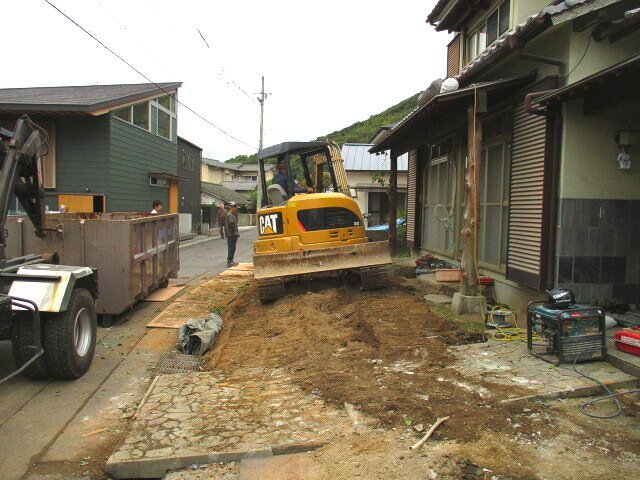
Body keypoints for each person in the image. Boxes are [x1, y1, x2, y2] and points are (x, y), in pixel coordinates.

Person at [225, 202, 240, 267]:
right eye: (235, 208)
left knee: (233, 248)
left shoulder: (231, 214)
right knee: (231, 248)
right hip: (231, 234)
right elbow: (231, 223)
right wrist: (235, 232)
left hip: (232, 234)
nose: (236, 209)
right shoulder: (230, 215)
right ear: (232, 208)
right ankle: (229, 261)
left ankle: (231, 261)